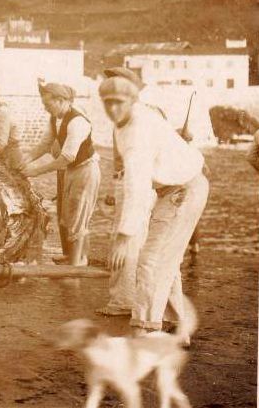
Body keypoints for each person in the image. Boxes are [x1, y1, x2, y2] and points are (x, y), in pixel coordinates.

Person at [101, 76, 208, 344]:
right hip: (169, 190)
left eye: (119, 103)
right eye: (108, 103)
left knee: (151, 259)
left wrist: (125, 237)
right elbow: (133, 180)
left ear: (133, 101)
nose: (113, 109)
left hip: (184, 189)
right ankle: (178, 327)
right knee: (165, 260)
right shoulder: (122, 126)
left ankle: (143, 329)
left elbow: (137, 184)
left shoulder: (138, 128)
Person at [21, 83, 100, 267]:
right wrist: (24, 161)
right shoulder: (55, 118)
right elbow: (44, 144)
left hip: (85, 170)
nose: (45, 108)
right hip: (73, 170)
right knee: (68, 214)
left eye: (48, 104)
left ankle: (75, 266)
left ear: (61, 100)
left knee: (77, 217)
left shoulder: (77, 122)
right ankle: (77, 257)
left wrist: (36, 171)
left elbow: (66, 157)